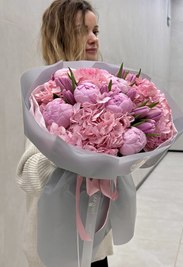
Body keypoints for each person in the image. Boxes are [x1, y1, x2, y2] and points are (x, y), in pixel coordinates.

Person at [16, 1, 113, 266]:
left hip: (94, 231)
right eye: (83, 30)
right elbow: (28, 174)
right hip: (56, 235)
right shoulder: (45, 95)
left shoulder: (110, 94)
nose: (93, 39)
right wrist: (76, 154)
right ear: (60, 36)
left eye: (96, 31)